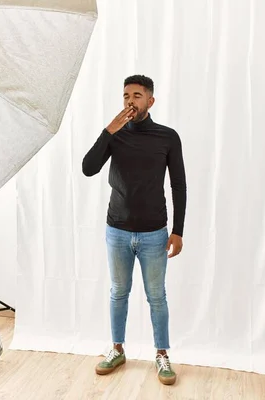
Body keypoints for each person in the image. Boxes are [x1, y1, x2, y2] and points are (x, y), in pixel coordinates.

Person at [82, 74, 187, 385]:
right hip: (117, 231)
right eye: (126, 95)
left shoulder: (167, 137)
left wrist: (178, 230)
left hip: (155, 232)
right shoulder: (114, 135)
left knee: (157, 296)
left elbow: (179, 185)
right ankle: (117, 349)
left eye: (137, 95)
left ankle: (162, 355)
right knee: (118, 293)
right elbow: (88, 168)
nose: (130, 100)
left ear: (150, 101)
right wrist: (107, 131)